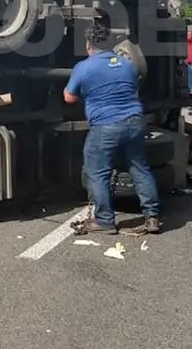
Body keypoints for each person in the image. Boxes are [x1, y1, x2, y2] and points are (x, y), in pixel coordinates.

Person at [65, 24, 161, 236]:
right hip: (135, 120)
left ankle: (104, 220)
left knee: (96, 172)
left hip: (106, 125)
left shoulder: (84, 67)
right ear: (109, 44)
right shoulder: (127, 64)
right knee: (140, 168)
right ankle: (152, 217)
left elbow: (69, 97)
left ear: (88, 45)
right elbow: (132, 87)